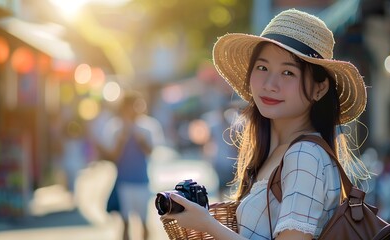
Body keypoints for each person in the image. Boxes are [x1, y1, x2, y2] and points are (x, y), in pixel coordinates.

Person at [161, 8, 370, 239]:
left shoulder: (304, 155)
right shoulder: (275, 150)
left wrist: (208, 225)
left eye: (288, 73)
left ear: (319, 88)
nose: (270, 84)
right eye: (262, 68)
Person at [98, 91, 165, 240]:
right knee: (125, 223)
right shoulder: (116, 126)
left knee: (144, 222)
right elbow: (112, 156)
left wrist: (140, 138)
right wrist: (121, 139)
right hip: (123, 181)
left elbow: (151, 152)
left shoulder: (148, 126)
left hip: (142, 180)